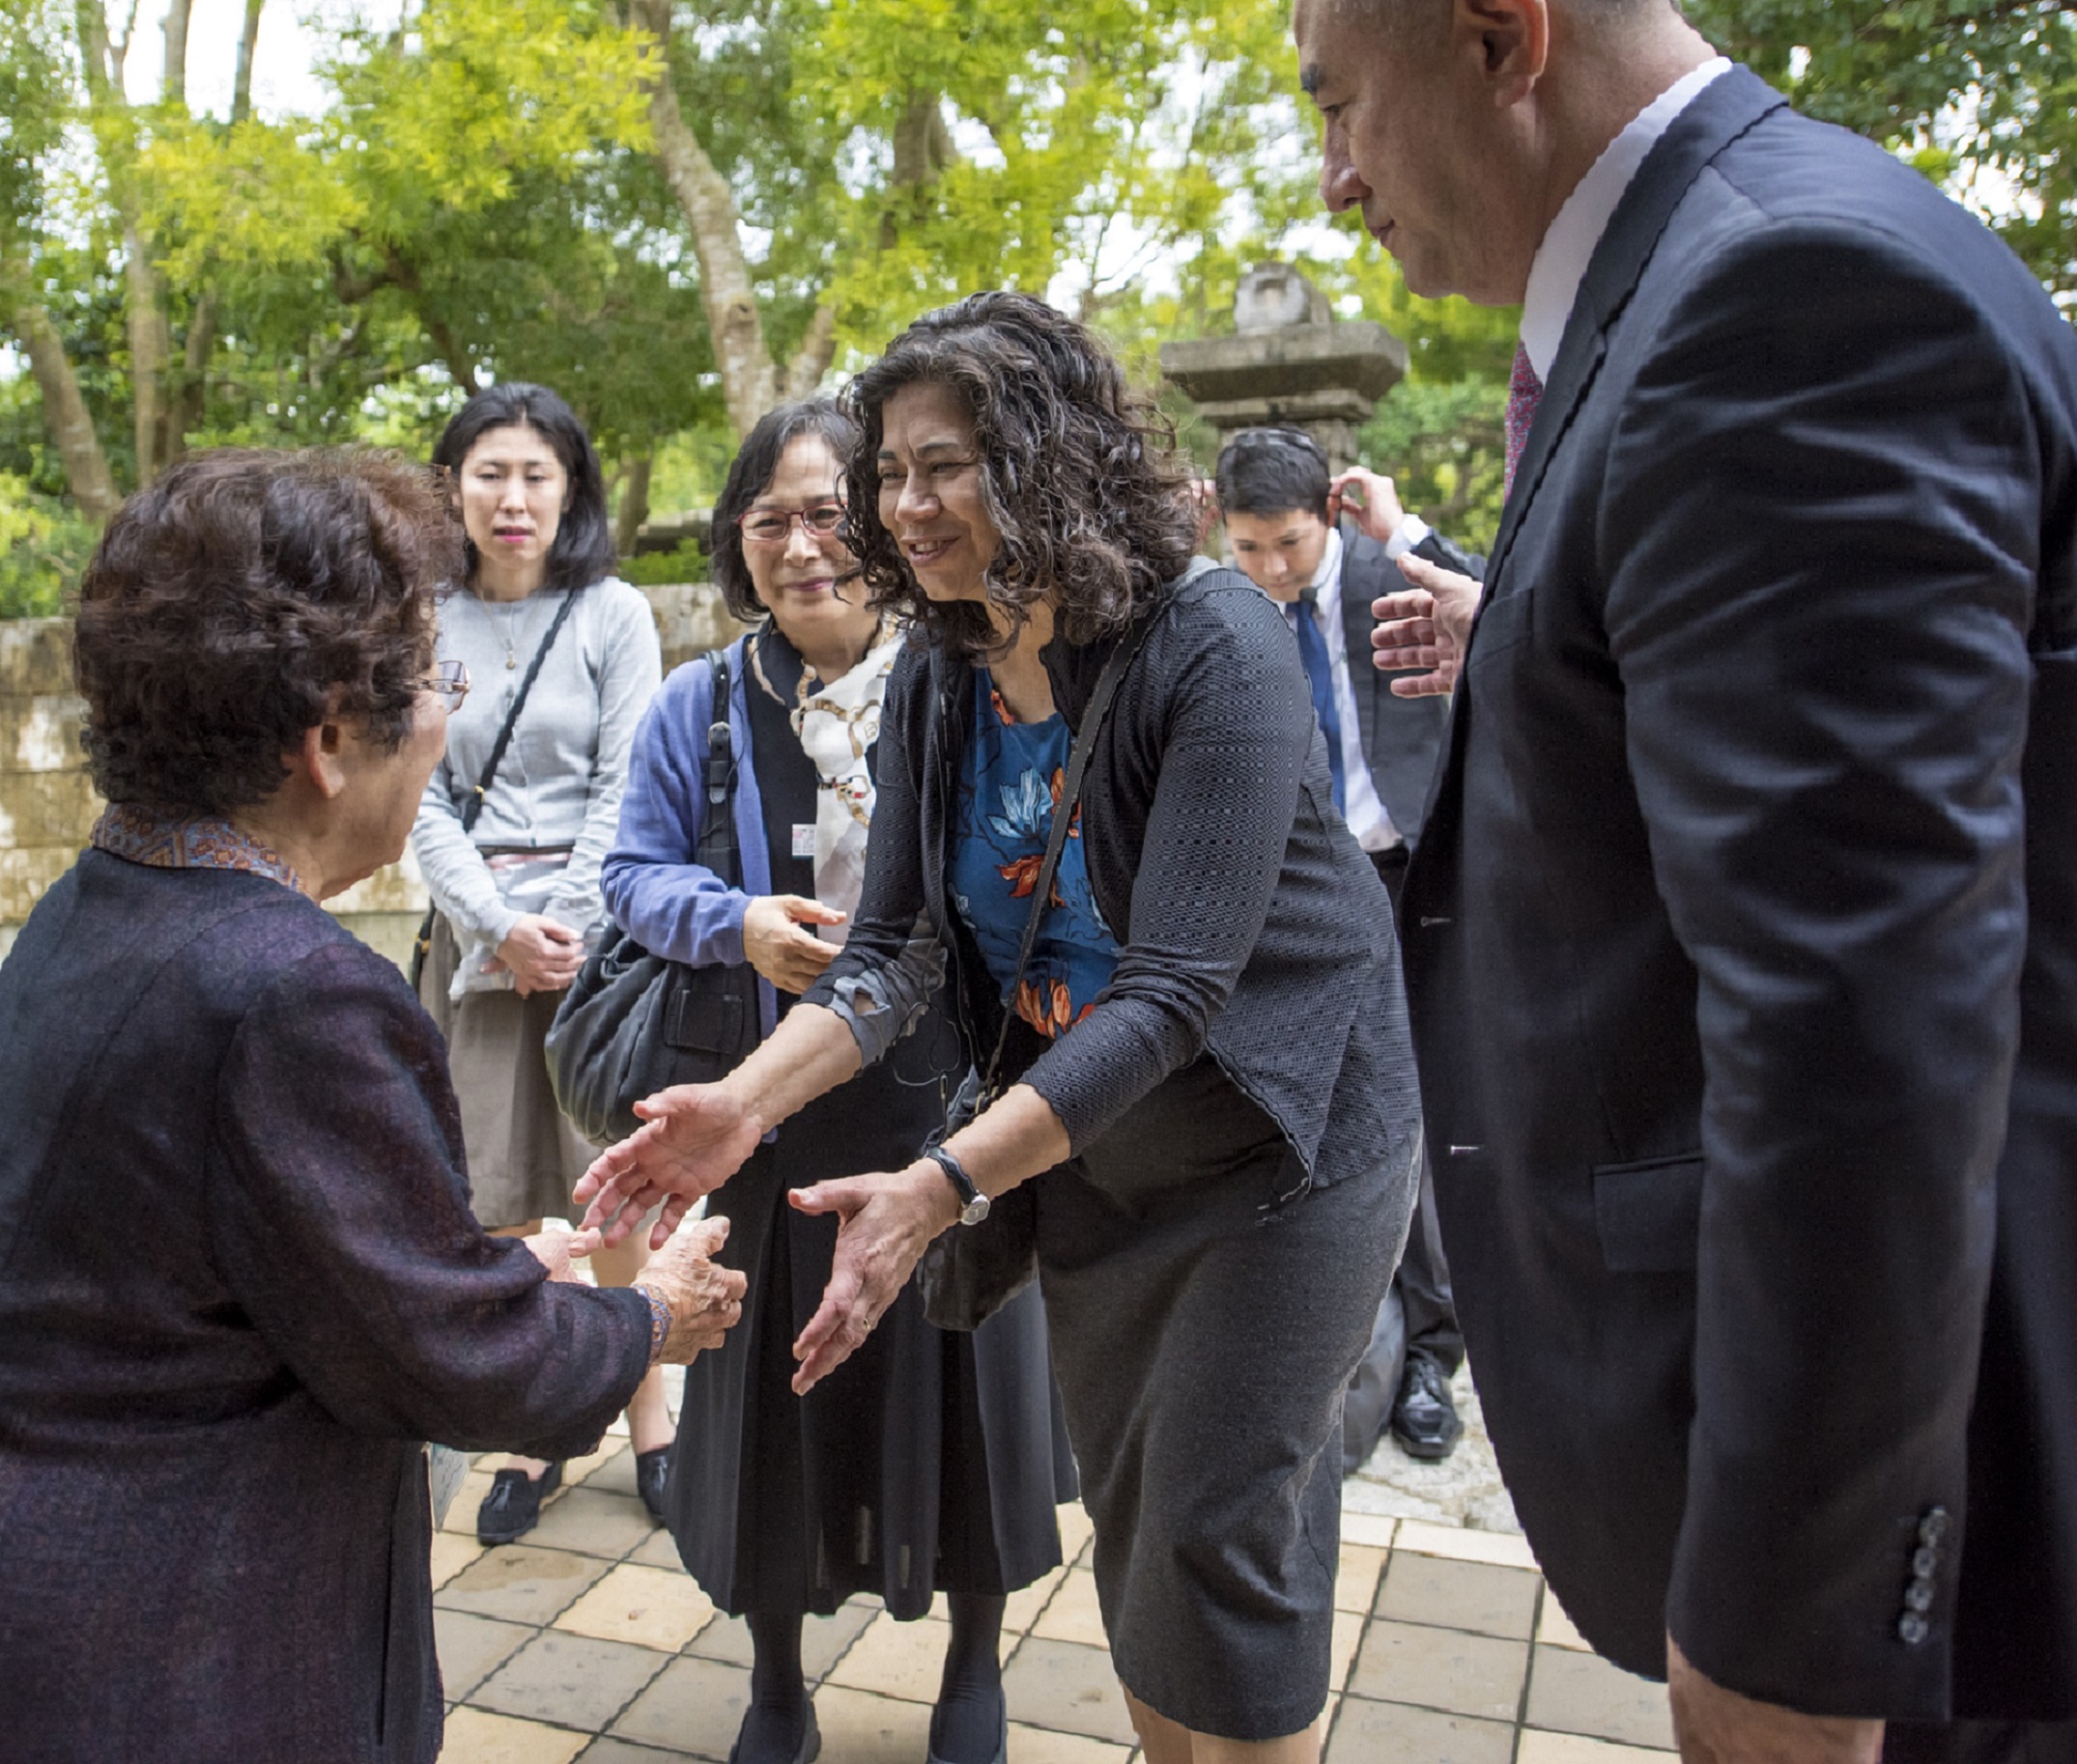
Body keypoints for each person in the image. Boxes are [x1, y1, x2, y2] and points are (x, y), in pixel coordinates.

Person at [1304, 0, 2077, 1759]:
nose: (1337, 179)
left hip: (1993, 1474)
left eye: (1337, 102)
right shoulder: (1716, 280)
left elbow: (1862, 1020)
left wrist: (1797, 1625)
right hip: (1996, 1418)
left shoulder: (1776, 312)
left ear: (1495, 31)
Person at [0, 448, 745, 1764]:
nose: (439, 723)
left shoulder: (104, 904)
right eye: (432, 687)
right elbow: (447, 1364)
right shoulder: (296, 992)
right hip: (123, 1674)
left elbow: (238, 1270)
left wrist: (481, 1269)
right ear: (325, 740)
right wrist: (648, 1316)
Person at [582, 292, 1421, 1764]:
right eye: (887, 473)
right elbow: (896, 949)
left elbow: (1172, 990)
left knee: (1220, 1525)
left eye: (943, 464)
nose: (901, 507)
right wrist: (743, 1104)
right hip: (1103, 1152)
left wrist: (944, 1182)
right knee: (1140, 1527)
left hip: (1286, 1141)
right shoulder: (945, 675)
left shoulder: (1208, 639)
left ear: (1048, 455)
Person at [604, 401, 1077, 1764]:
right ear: (735, 543)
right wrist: (735, 921)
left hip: (955, 1109)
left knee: (969, 1382)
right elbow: (631, 875)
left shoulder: (973, 680)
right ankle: (774, 1682)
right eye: (771, 521)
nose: (805, 546)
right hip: (771, 1107)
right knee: (772, 1405)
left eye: (830, 514)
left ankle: (975, 1672)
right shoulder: (698, 705)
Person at [413, 382, 671, 1542]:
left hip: (596, 945)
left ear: (570, 490)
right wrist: (490, 924)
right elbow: (406, 789)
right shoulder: (414, 617)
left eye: (535, 475)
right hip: (472, 944)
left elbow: (631, 785)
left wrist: (559, 927)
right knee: (499, 1200)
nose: (512, 498)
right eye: (489, 473)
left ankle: (651, 1414)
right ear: (452, 486)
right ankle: (530, 1428)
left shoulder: (614, 612)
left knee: (613, 1180)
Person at [1213, 427, 1475, 1462]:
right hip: (1308, 894)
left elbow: (1509, 609)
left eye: (1284, 543)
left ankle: (1425, 1362)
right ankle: (1348, 1367)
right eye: (1245, 548)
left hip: (1419, 877)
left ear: (1326, 512)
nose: (1271, 568)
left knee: (1424, 1114)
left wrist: (1400, 521)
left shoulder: (1387, 566)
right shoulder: (1229, 608)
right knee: (1338, 1118)